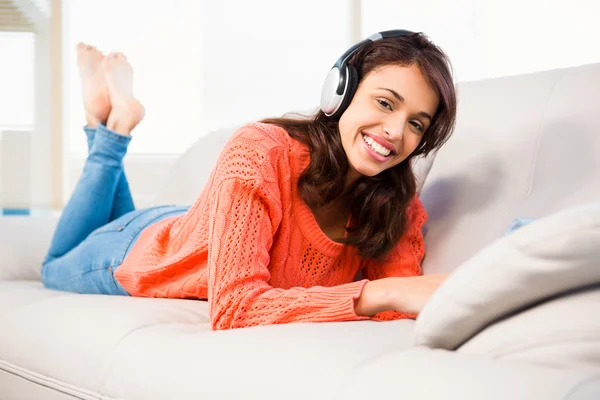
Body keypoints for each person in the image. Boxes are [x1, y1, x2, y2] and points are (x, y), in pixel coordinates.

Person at [41, 30, 457, 330]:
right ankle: (111, 133)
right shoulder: (261, 150)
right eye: (384, 103)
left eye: (416, 124)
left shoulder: (395, 201)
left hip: (197, 225)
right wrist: (372, 294)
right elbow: (235, 308)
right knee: (52, 267)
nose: (395, 132)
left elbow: (401, 307)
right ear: (341, 93)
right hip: (139, 250)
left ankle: (107, 118)